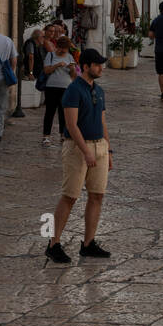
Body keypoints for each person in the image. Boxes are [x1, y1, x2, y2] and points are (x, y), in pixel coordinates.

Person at [44, 48, 112, 264]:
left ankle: (88, 243)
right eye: (97, 64)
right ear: (86, 66)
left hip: (99, 146)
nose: (101, 67)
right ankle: (53, 243)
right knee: (70, 196)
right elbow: (71, 125)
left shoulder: (99, 90)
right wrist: (86, 151)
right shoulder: (73, 90)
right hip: (77, 148)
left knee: (97, 195)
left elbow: (102, 121)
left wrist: (107, 150)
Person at [42, 35, 78, 146]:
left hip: (66, 88)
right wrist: (57, 65)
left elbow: (74, 76)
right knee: (50, 112)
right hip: (52, 87)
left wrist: (72, 69)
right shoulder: (50, 55)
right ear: (58, 46)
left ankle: (63, 135)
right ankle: (46, 136)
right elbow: (46, 71)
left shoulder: (70, 57)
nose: (63, 50)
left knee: (64, 113)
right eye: (62, 48)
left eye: (66, 48)